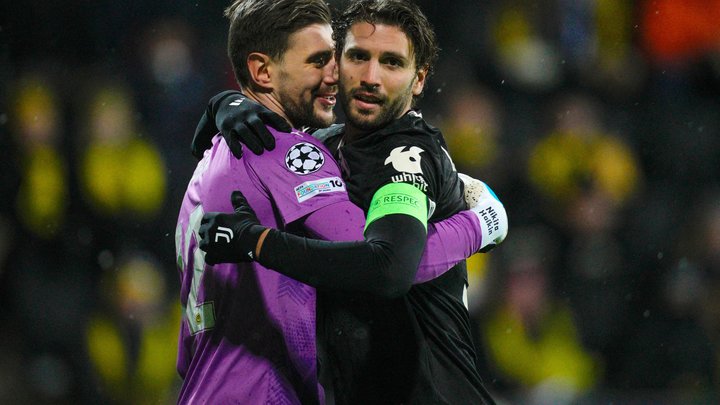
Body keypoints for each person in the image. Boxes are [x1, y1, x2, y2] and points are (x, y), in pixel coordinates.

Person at [176, 0, 505, 403]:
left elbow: (386, 266)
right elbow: (385, 266)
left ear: (419, 79)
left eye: (391, 62)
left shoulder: (221, 152)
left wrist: (223, 103)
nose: (338, 76)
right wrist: (480, 223)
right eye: (333, 60)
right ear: (262, 71)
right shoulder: (297, 149)